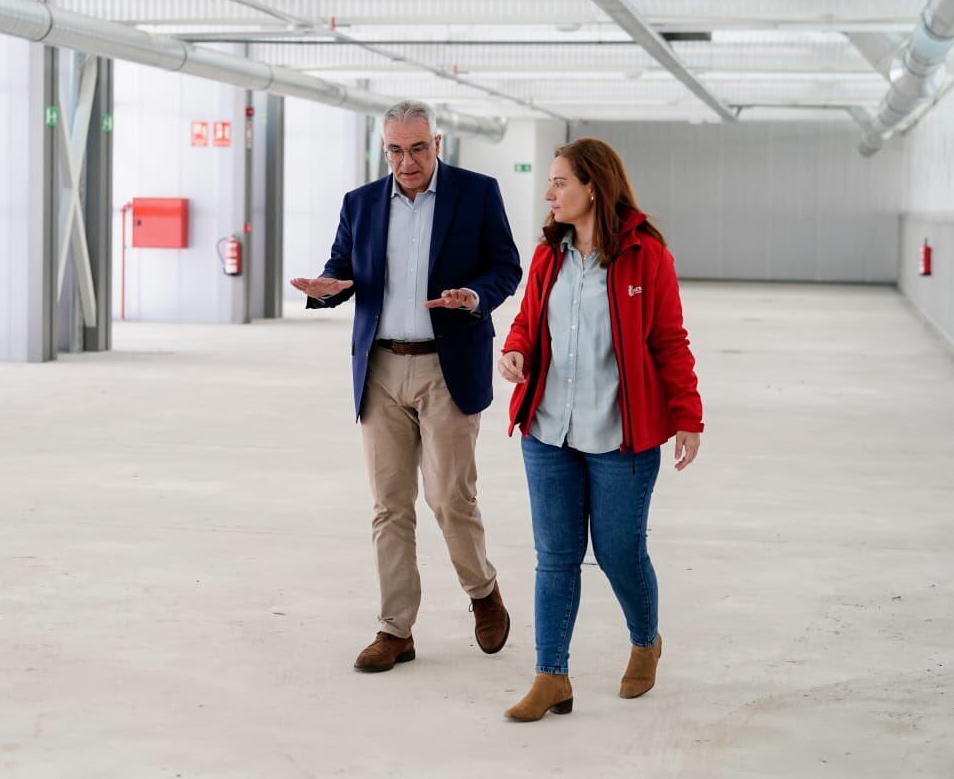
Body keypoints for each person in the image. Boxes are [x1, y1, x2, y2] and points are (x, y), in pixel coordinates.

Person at [290, 100, 522, 673]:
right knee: (389, 506)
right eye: (396, 150)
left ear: (437, 143)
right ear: (385, 148)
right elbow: (343, 268)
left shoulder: (477, 193)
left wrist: (474, 296)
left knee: (449, 499)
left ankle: (482, 591)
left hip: (448, 366)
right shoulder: (362, 202)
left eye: (418, 148)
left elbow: (506, 266)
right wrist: (326, 289)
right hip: (382, 369)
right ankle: (396, 629)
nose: (407, 161)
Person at [497, 137, 703, 721]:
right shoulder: (547, 255)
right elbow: (527, 324)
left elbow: (669, 341)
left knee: (617, 551)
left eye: (560, 181)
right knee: (555, 556)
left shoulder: (646, 256)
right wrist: (515, 353)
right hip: (548, 433)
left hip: (621, 435)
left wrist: (688, 415)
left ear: (593, 186)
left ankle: (645, 640)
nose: (550, 192)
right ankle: (551, 676)